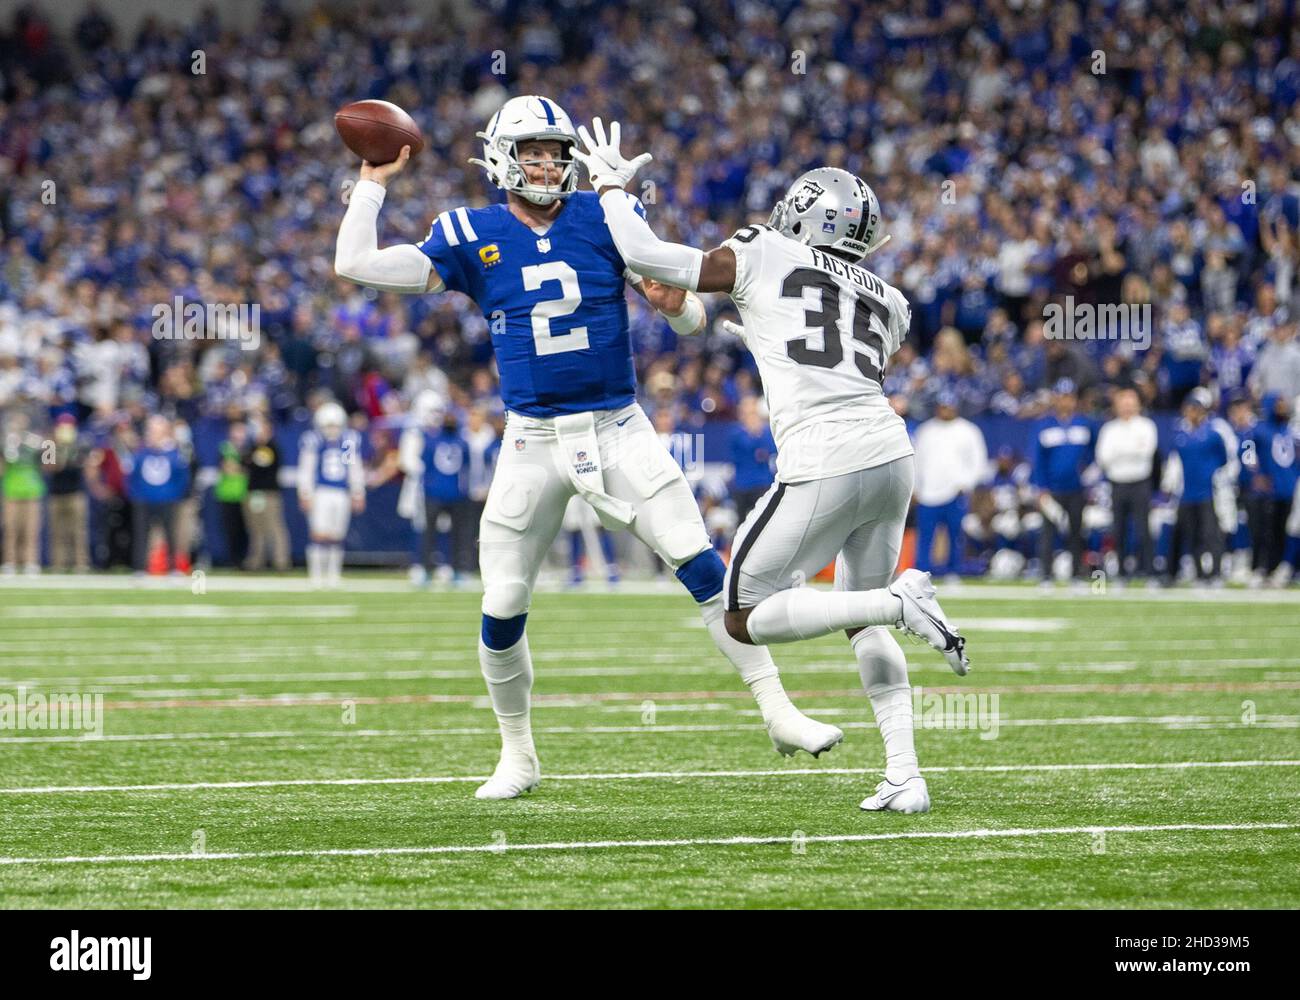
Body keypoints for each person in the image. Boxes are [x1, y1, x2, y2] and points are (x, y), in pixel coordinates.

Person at [333, 95, 841, 800]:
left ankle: (778, 709)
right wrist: (373, 182)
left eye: (556, 152)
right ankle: (518, 754)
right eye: (534, 151)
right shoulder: (466, 232)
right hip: (532, 438)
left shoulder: (605, 218)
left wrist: (678, 307)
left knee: (701, 564)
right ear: (504, 157)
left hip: (618, 427)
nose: (547, 164)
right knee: (504, 600)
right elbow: (354, 261)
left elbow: (692, 316)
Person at [579, 125, 971, 814]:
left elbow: (644, 254)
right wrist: (757, 328)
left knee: (741, 616)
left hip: (826, 458)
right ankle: (906, 774)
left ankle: (898, 602)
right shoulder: (893, 301)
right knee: (861, 624)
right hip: (890, 456)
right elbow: (833, 350)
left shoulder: (764, 247)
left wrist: (612, 190)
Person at [912, 389, 988, 579]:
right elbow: (915, 461)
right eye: (943, 406)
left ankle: (954, 570)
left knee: (956, 535)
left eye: (949, 406)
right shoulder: (925, 430)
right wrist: (915, 488)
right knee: (925, 535)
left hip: (956, 491)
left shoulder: (968, 430)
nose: (946, 410)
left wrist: (967, 483)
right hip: (928, 491)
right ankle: (922, 572)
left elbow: (979, 461)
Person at [1161, 387, 1228, 584]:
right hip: (1186, 491)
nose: (1192, 412)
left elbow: (1223, 458)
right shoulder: (1180, 435)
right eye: (1189, 408)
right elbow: (1174, 461)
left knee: (1211, 534)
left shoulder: (1213, 433)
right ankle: (1199, 573)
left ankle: (1215, 573)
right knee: (1192, 534)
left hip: (1207, 491)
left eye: (1196, 408)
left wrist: (1211, 474)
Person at [1030, 379, 1095, 582]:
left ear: (1074, 399)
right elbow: (1037, 460)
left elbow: (1093, 456)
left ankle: (1077, 573)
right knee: (1048, 533)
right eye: (1062, 397)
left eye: (1069, 397)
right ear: (1055, 399)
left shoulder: (1085, 424)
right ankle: (1046, 574)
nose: (1065, 401)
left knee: (1077, 531)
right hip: (1052, 489)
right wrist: (1041, 488)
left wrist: (1089, 481)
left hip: (1077, 488)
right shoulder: (1044, 425)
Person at [297, 401, 364, 589]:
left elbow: (354, 469)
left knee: (337, 534)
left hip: (341, 492)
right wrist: (305, 493)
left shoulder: (348, 440)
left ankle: (334, 574)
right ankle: (316, 575)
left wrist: (358, 492)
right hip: (321, 492)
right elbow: (306, 470)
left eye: (335, 425)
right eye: (328, 425)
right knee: (319, 533)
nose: (332, 429)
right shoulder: (314, 440)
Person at [1095, 387, 1158, 580]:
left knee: (1143, 529)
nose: (1127, 406)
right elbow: (1103, 458)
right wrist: (1131, 451)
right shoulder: (1109, 429)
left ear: (1138, 404)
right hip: (1118, 483)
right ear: (1116, 406)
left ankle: (1149, 571)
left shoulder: (1146, 426)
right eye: (1123, 403)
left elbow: (1146, 452)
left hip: (1140, 482)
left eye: (1131, 402)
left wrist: (1120, 452)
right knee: (1118, 529)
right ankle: (1121, 573)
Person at [127, 415, 190, 575]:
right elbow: (131, 476)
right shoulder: (141, 453)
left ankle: (174, 568)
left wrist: (174, 495)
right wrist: (136, 496)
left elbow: (182, 477)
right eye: (151, 430)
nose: (153, 434)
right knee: (141, 534)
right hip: (144, 500)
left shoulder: (174, 453)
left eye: (157, 430)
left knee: (171, 534)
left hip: (167, 500)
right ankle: (140, 567)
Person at [242, 415, 290, 571]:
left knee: (274, 527)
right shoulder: (253, 447)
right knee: (256, 529)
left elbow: (258, 464)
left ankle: (281, 562)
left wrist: (249, 461)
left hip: (268, 493)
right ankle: (255, 561)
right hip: (253, 493)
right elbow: (245, 462)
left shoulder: (271, 448)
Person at [1, 411, 46, 575]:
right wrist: (9, 447)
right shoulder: (6, 442)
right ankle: (9, 562)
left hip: (32, 490)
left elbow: (49, 462)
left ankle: (30, 562)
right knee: (11, 529)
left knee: (31, 529)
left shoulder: (34, 442)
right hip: (11, 490)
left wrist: (42, 445)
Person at [46, 413, 90, 573]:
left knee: (78, 531)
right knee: (57, 532)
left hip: (75, 493)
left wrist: (70, 452)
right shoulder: (50, 445)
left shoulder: (79, 445)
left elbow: (83, 465)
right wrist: (60, 452)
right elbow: (49, 468)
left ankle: (80, 564)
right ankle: (58, 564)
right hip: (56, 494)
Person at [728, 396, 776, 525]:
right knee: (741, 523)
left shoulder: (766, 431)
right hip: (742, 484)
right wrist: (754, 433)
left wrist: (758, 433)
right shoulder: (735, 432)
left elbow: (770, 450)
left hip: (763, 483)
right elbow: (740, 450)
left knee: (764, 522)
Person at [215, 421, 250, 568]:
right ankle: (233, 560)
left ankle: (243, 559)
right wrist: (242, 468)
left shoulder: (248, 449)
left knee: (245, 530)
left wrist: (239, 468)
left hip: (244, 494)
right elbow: (228, 468)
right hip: (227, 494)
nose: (239, 435)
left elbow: (249, 469)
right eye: (236, 431)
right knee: (230, 529)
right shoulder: (225, 448)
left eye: (241, 431)